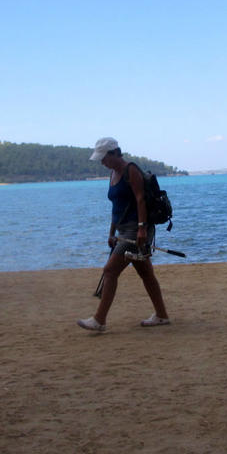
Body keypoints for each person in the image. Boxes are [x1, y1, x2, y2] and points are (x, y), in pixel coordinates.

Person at [77, 137, 170, 332]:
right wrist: (111, 233)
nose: (102, 162)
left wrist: (143, 228)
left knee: (110, 271)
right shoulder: (113, 173)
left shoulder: (131, 170)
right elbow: (116, 207)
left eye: (104, 158)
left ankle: (99, 320)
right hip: (122, 230)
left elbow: (140, 199)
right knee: (146, 273)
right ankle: (161, 315)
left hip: (136, 230)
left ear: (114, 153)